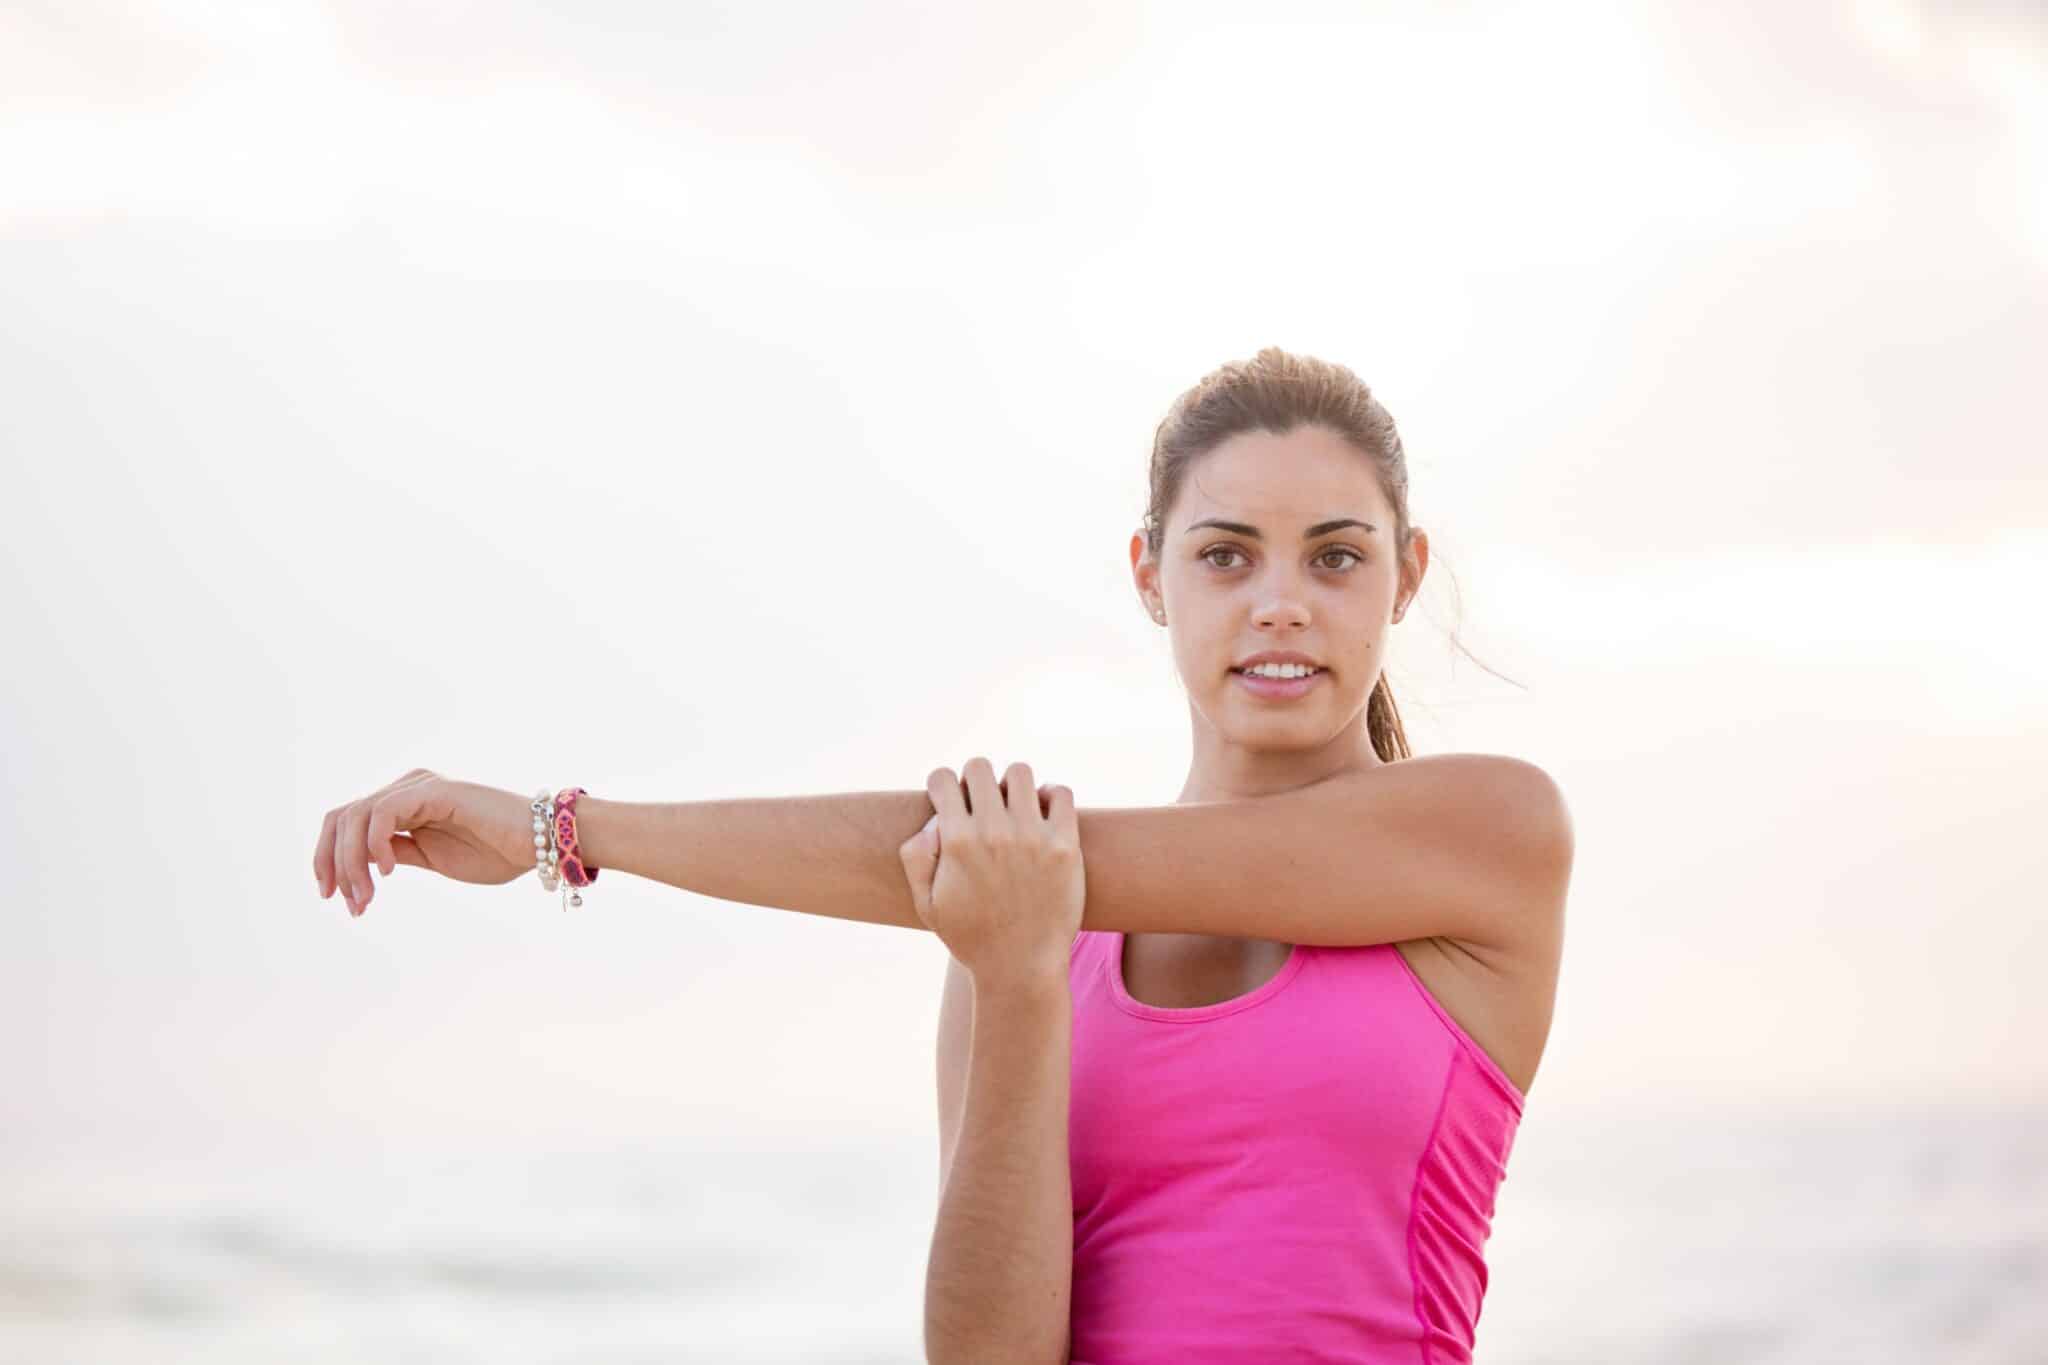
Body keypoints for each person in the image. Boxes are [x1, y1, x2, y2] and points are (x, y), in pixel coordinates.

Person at [309, 346, 1573, 1364]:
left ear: (1404, 576)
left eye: (1335, 557)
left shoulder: (1485, 837)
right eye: (1225, 554)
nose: (1278, 602)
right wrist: (1018, 979)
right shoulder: (1014, 916)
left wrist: (563, 828)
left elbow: (949, 856)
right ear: (1149, 576)